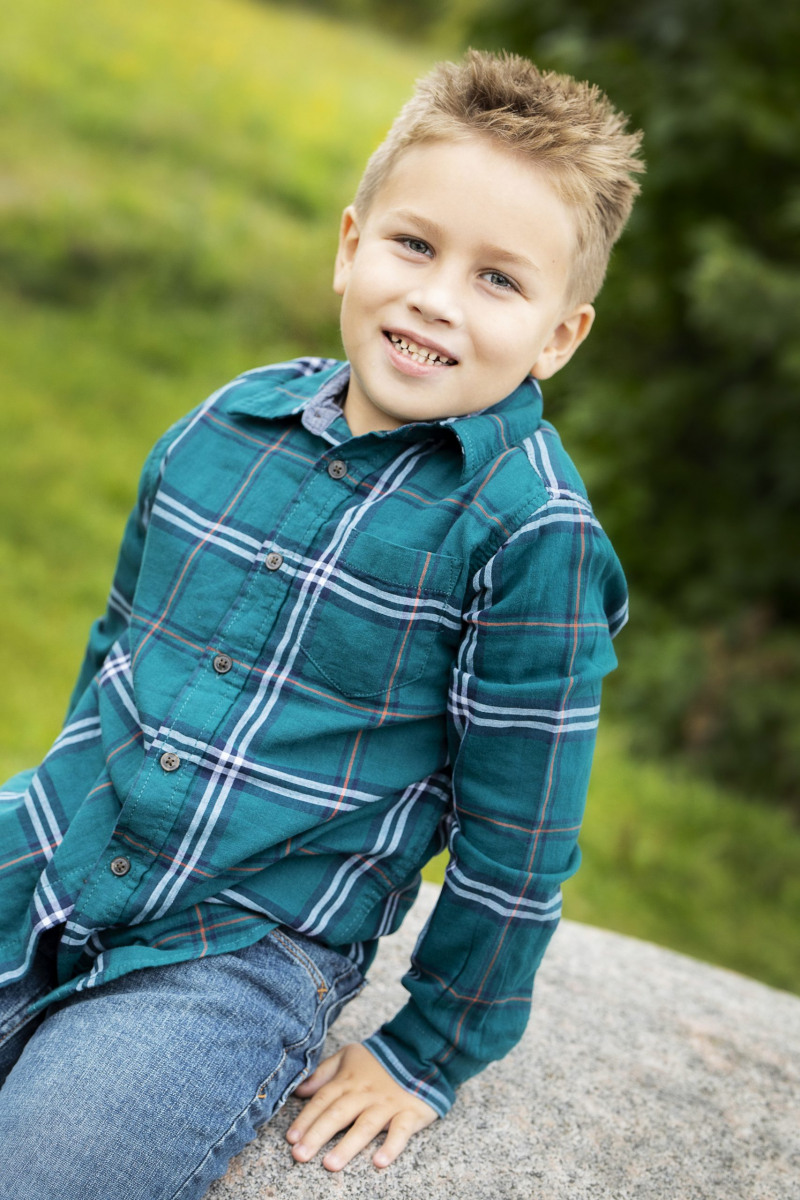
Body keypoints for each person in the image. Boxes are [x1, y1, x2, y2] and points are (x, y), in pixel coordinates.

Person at [0, 49, 643, 1199]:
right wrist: (60, 799)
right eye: (414, 245)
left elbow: (518, 840)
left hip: (233, 952)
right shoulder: (222, 425)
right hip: (53, 845)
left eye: (498, 280)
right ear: (351, 246)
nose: (436, 298)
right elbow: (118, 648)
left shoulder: (529, 536)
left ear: (559, 335)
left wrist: (429, 1050)